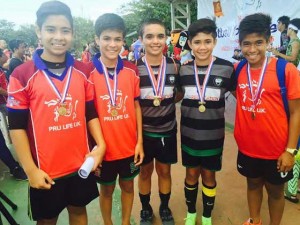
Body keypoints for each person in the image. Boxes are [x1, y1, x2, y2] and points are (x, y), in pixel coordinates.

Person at [7, 1, 106, 224]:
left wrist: (100, 146)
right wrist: (30, 170)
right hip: (46, 170)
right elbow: (17, 127)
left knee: (79, 212)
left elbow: (90, 113)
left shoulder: (83, 71)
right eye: (51, 30)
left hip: (81, 164)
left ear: (72, 33)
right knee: (47, 219)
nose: (58, 37)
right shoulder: (22, 75)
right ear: (38, 31)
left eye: (65, 31)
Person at [234, 13, 300, 225]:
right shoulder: (238, 70)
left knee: (275, 191)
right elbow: (240, 97)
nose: (252, 50)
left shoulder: (285, 70)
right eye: (247, 44)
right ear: (240, 44)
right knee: (252, 185)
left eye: (258, 43)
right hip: (247, 148)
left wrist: (290, 151)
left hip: (277, 151)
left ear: (269, 41)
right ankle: (255, 220)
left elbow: (296, 112)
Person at [179, 18, 235, 225]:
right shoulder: (183, 70)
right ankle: (192, 213)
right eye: (197, 42)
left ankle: (207, 217)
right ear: (190, 44)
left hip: (213, 136)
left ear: (214, 42)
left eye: (207, 41)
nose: (202, 47)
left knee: (209, 177)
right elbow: (176, 95)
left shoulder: (227, 68)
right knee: (191, 175)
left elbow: (239, 95)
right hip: (189, 135)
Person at [89, 13, 144, 225]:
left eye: (117, 39)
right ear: (97, 39)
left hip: (129, 147)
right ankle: (108, 222)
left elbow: (136, 105)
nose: (113, 44)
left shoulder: (131, 71)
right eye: (107, 38)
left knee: (129, 187)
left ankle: (125, 222)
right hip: (104, 150)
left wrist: (139, 141)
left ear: (123, 41)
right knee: (107, 190)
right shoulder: (88, 73)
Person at [136, 19, 182, 225]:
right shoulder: (133, 69)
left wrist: (164, 105)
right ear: (141, 40)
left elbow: (178, 93)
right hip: (142, 134)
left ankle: (164, 206)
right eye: (149, 36)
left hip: (167, 130)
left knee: (165, 171)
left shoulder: (174, 65)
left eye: (160, 36)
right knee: (144, 172)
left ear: (166, 39)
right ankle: (145, 209)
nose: (155, 41)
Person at [0, 48, 27, 181]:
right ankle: (15, 168)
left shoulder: (4, 67)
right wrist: (12, 93)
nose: (6, 56)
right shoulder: (16, 65)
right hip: (7, 101)